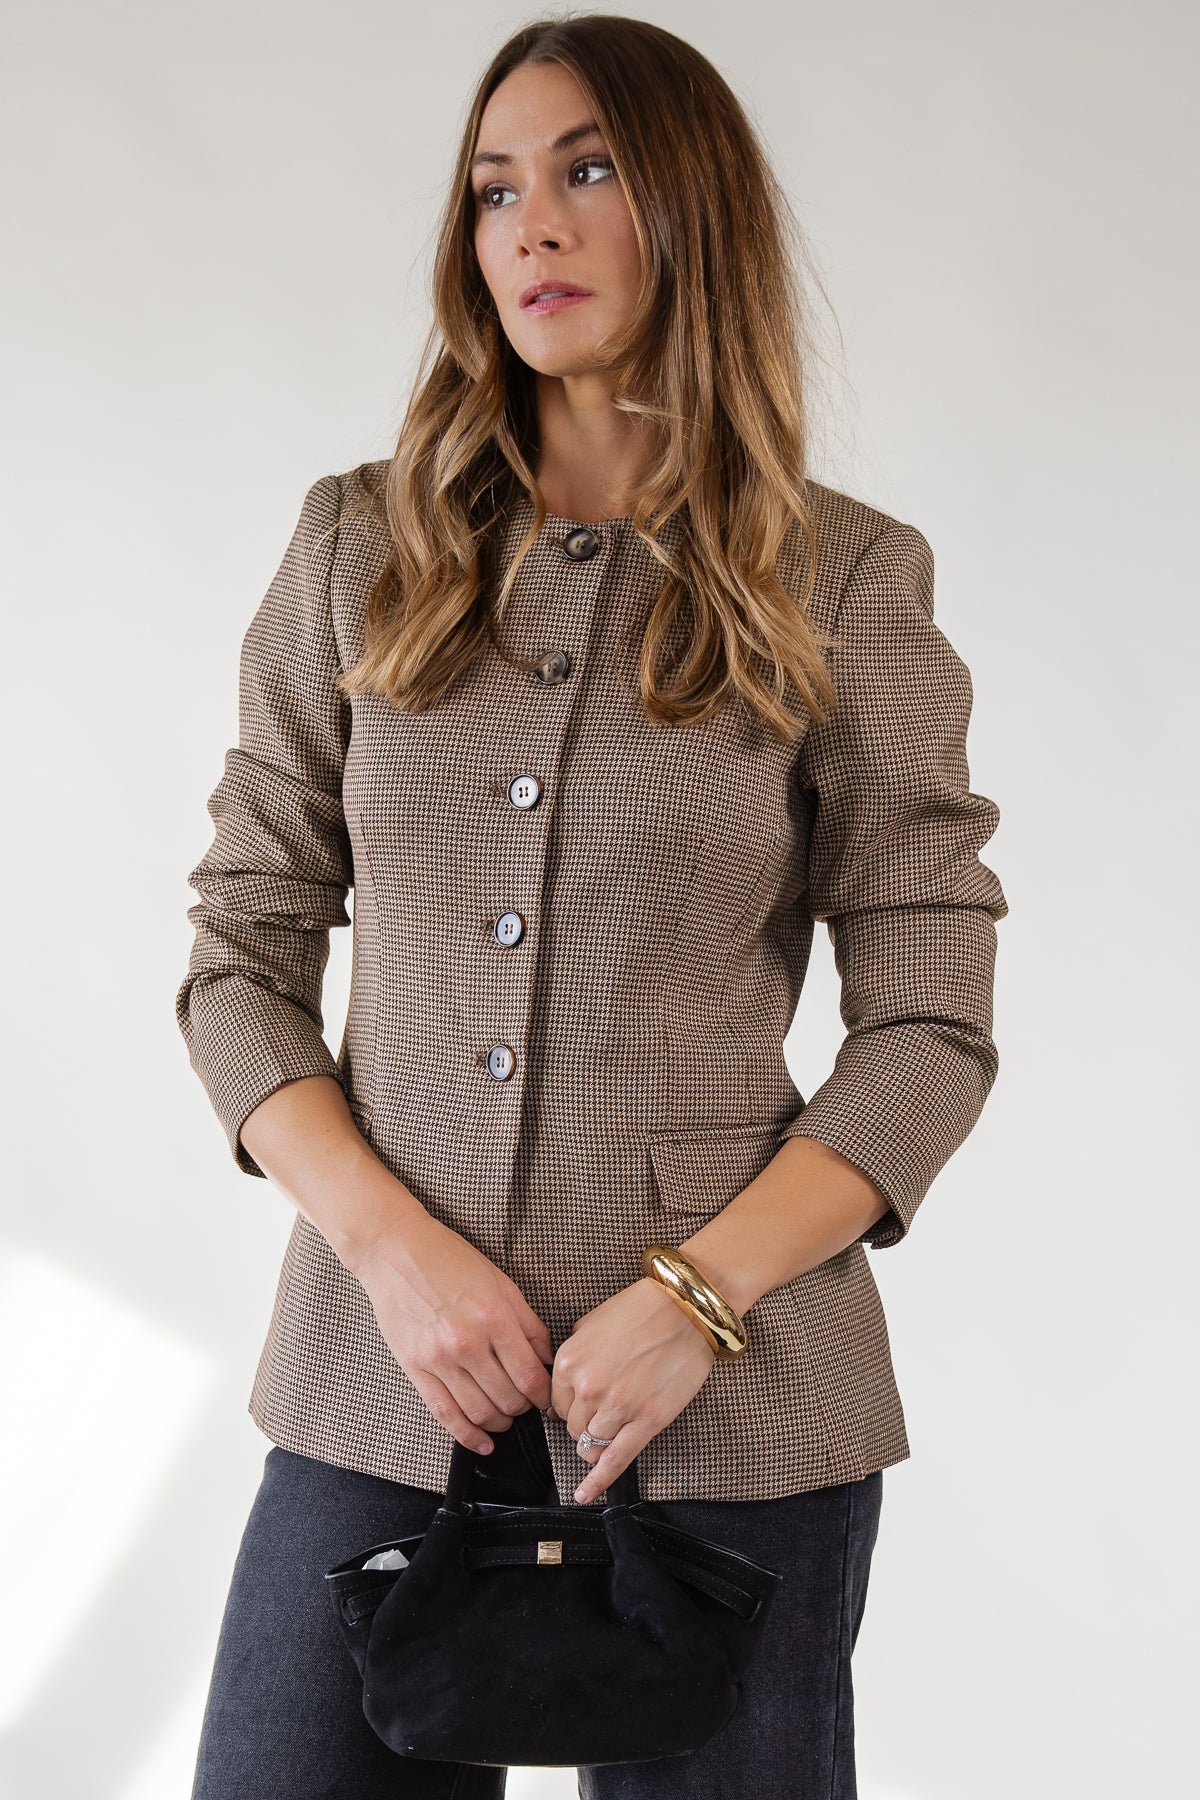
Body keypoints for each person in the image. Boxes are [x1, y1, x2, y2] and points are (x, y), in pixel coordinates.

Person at [175, 14, 1008, 1799]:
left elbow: (931, 1023)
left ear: (690, 208)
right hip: (375, 1388)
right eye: (494, 189)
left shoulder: (841, 580)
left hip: (731, 1415)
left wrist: (698, 1297)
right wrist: (392, 1258)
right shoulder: (357, 547)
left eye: (589, 170)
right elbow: (240, 952)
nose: (532, 224)